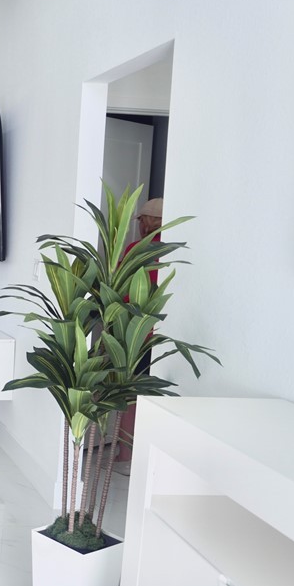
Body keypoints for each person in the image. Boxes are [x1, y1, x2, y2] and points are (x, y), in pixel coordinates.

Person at [116, 197, 163, 462]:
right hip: (162, 335)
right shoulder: (174, 251)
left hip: (136, 333)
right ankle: (148, 458)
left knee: (129, 395)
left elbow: (122, 289)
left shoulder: (136, 249)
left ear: (147, 222)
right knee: (154, 395)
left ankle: (125, 456)